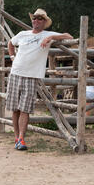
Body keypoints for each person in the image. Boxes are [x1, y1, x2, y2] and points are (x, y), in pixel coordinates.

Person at [7, 9, 73, 150]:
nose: (36, 21)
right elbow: (10, 43)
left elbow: (69, 36)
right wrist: (13, 58)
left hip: (32, 76)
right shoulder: (22, 34)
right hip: (16, 73)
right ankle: (16, 138)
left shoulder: (48, 34)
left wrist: (51, 38)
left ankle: (21, 139)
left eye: (40, 19)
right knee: (15, 109)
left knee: (25, 109)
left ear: (44, 22)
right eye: (34, 18)